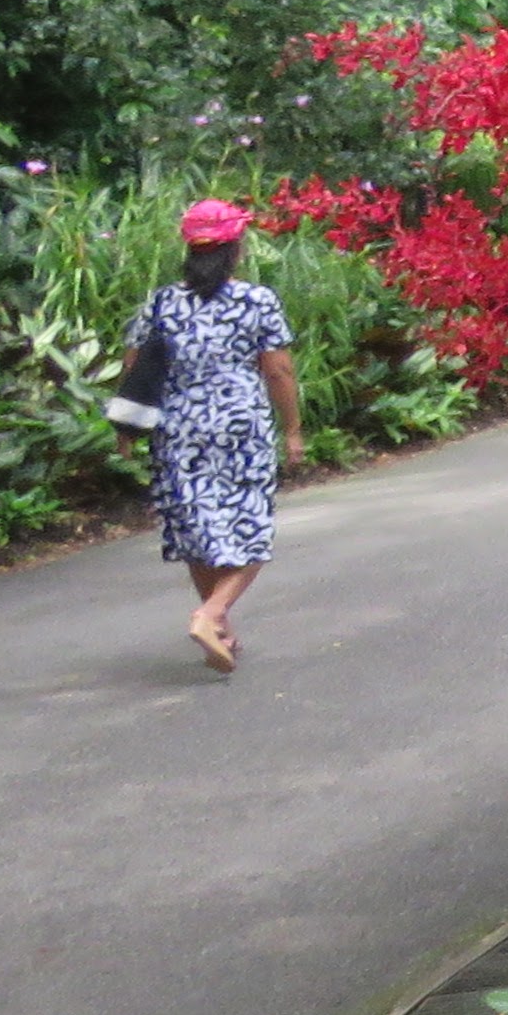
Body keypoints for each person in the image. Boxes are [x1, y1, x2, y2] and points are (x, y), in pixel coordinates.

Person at [143, 198, 301, 670]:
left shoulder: (162, 302)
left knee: (197, 528)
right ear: (237, 248)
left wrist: (127, 428)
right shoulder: (257, 300)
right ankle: (210, 613)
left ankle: (221, 629)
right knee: (251, 528)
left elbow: (136, 368)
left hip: (178, 429)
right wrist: (292, 428)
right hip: (240, 428)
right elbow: (278, 370)